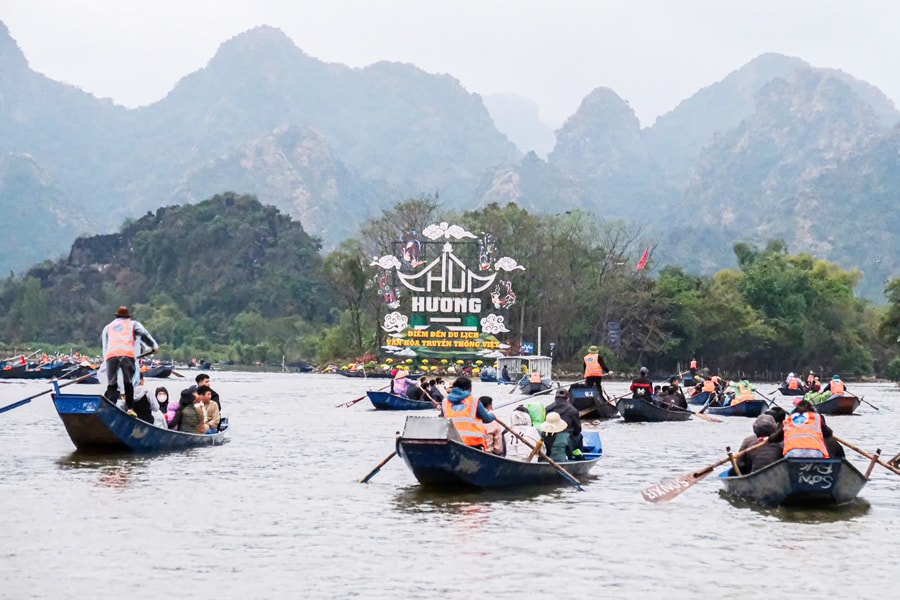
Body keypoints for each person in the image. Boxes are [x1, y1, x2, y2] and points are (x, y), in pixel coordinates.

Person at [101, 306, 159, 411]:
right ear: (128, 317)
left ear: (117, 316)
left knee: (112, 385)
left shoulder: (109, 327)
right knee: (128, 383)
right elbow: (144, 335)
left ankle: (109, 408)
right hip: (126, 355)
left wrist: (106, 362)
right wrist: (153, 346)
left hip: (111, 356)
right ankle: (130, 409)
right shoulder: (133, 324)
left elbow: (105, 347)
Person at [765, 399, 833, 458]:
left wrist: (769, 438)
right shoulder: (816, 417)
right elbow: (829, 433)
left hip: (793, 453)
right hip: (815, 452)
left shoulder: (789, 419)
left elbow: (776, 437)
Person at [442, 376, 495, 450]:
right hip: (472, 443)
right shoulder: (474, 400)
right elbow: (487, 418)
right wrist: (493, 415)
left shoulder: (445, 401)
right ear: (469, 388)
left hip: (452, 441)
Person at [543, 388, 583, 455]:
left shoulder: (547, 408)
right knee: (579, 436)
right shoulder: (573, 410)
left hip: (549, 438)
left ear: (555, 398)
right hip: (567, 439)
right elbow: (578, 429)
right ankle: (576, 455)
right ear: (568, 399)